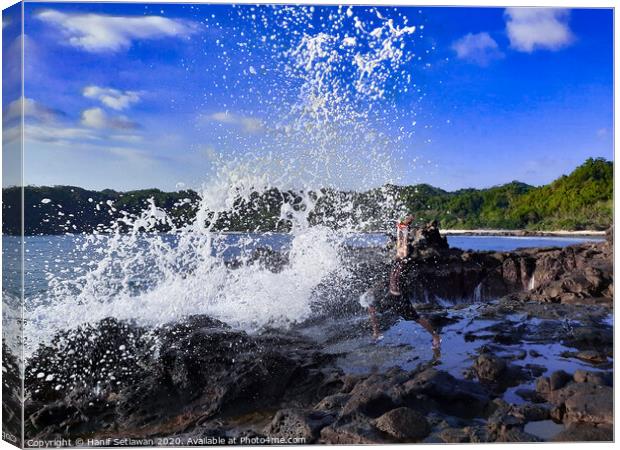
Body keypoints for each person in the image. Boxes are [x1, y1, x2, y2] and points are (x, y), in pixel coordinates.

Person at [366, 215, 441, 353]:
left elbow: (404, 245)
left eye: (403, 252)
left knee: (417, 318)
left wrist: (405, 229)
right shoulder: (396, 260)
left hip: (401, 299)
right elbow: (400, 244)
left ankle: (436, 336)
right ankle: (377, 333)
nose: (400, 250)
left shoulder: (405, 263)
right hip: (390, 295)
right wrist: (400, 228)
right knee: (371, 307)